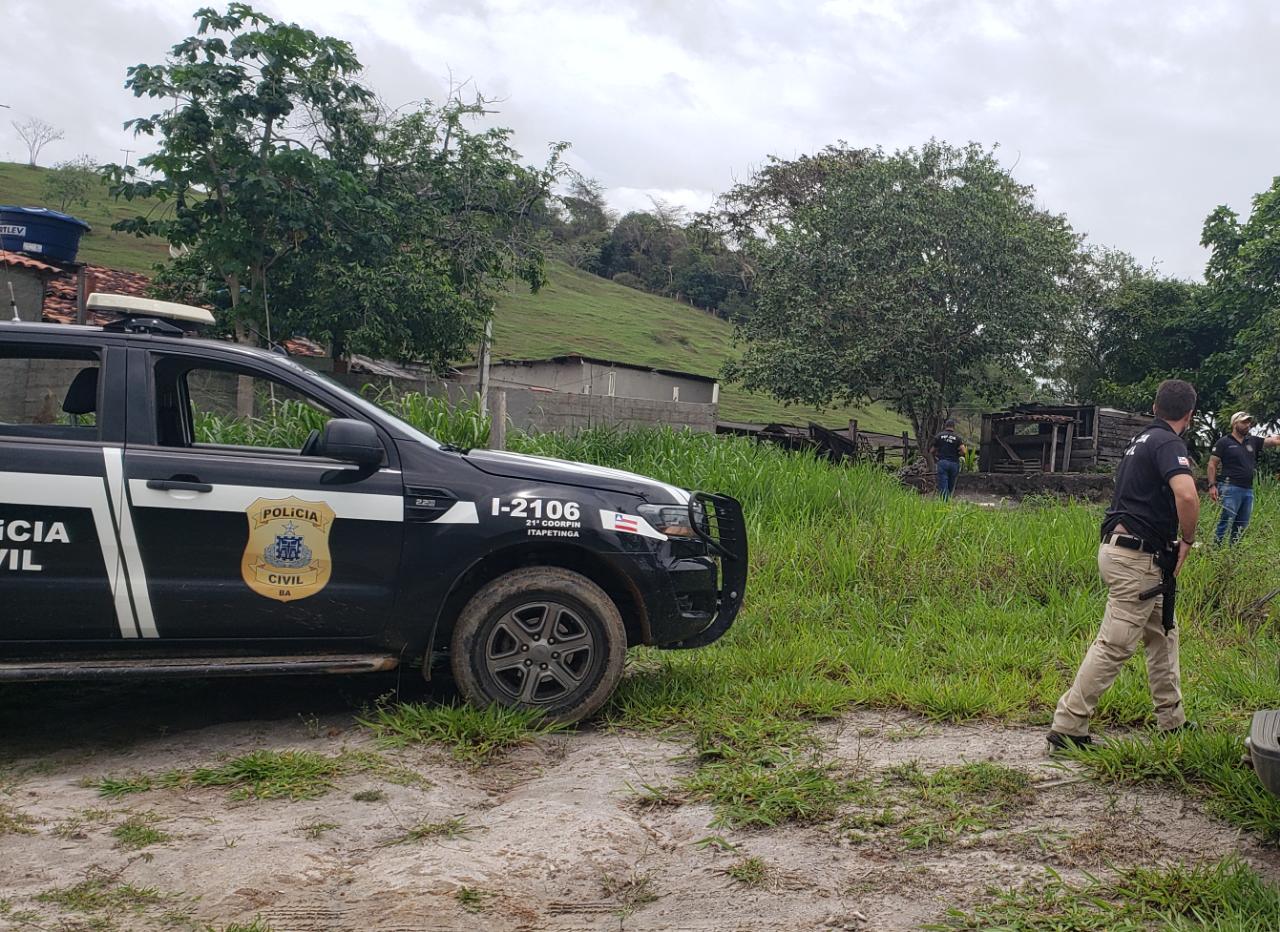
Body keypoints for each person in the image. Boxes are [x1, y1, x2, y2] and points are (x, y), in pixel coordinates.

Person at [1049, 379, 1200, 752]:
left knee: (1164, 633)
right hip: (1138, 558)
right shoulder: (1168, 442)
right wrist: (1188, 540)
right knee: (1116, 644)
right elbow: (1186, 493)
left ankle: (1172, 720)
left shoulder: (1140, 441)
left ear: (1154, 407)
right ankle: (1068, 726)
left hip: (1131, 552)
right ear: (1190, 415)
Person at [1207, 411, 1280, 545]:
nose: (1248, 425)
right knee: (1226, 521)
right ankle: (1215, 550)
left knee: (1241, 525)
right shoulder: (1224, 442)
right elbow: (1212, 464)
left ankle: (1233, 554)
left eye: (1249, 422)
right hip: (1230, 488)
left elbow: (1274, 441)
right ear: (1235, 423)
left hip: (1248, 490)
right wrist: (1212, 485)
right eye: (1244, 422)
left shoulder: (1253, 441)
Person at [930, 418, 967, 500]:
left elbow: (932, 450)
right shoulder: (957, 438)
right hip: (954, 463)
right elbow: (964, 451)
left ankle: (944, 504)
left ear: (945, 426)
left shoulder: (939, 436)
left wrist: (935, 459)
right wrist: (957, 454)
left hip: (942, 462)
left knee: (943, 485)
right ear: (953, 427)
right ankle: (948, 501)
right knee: (950, 485)